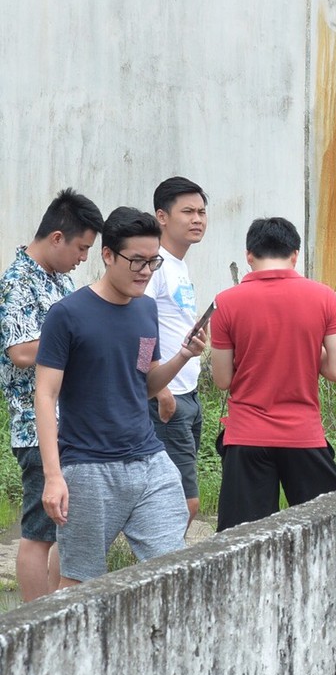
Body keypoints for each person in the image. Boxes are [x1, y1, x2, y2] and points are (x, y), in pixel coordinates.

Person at [33, 207, 202, 586]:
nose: (145, 271)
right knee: (79, 583)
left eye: (153, 261)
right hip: (88, 467)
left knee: (172, 570)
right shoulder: (68, 315)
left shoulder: (145, 309)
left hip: (149, 461)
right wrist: (53, 476)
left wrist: (182, 356)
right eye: (136, 261)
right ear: (107, 255)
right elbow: (45, 395)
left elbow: (144, 382)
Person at [208, 217, 336, 531]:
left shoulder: (225, 303)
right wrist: (306, 344)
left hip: (246, 436)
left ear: (249, 255)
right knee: (326, 534)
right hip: (303, 435)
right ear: (295, 254)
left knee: (241, 544)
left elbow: (222, 380)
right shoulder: (324, 297)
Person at [1, 190, 103, 598]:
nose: (83, 257)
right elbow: (20, 351)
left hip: (71, 423)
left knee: (68, 528)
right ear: (57, 237)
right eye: (81, 248)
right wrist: (79, 343)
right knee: (39, 532)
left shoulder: (62, 278)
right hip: (36, 428)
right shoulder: (16, 284)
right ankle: (32, 625)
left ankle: (60, 611)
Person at [147, 176, 208, 524]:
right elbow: (140, 332)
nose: (197, 219)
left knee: (173, 497)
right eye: (187, 211)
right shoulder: (154, 264)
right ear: (162, 217)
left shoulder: (178, 265)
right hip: (167, 395)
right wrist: (160, 389)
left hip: (189, 393)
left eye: (201, 211)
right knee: (184, 503)